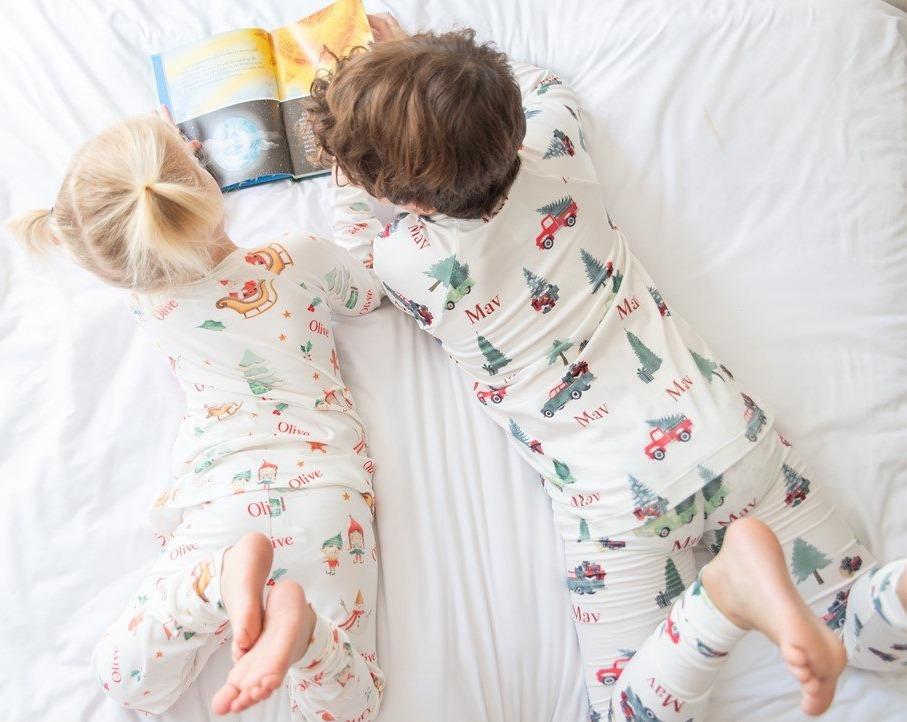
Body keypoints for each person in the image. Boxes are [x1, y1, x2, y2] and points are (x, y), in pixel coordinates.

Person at [313, 15, 907, 720]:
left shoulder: (407, 260)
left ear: (406, 199)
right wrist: (406, 69)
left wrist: (350, 166)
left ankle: (721, 603)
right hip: (728, 438)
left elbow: (350, 235)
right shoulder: (555, 149)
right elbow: (541, 84)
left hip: (621, 506)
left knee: (624, 712)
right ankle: (894, 595)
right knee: (857, 630)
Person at [7, 113, 384, 720]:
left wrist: (167, 170)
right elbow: (368, 293)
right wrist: (349, 193)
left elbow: (136, 233)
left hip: (221, 504)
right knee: (349, 706)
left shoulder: (147, 301)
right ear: (205, 182)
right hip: (324, 494)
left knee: (128, 683)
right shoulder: (296, 257)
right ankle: (304, 635)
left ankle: (216, 589)